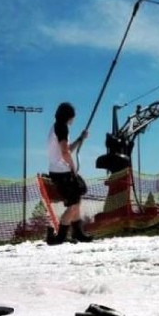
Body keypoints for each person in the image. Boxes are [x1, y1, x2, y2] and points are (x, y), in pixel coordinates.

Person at [46, 102, 92, 245]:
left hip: (58, 171)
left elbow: (67, 149)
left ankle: (78, 233)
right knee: (73, 205)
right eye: (73, 116)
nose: (74, 119)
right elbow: (66, 153)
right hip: (62, 172)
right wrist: (72, 167)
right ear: (69, 116)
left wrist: (80, 139)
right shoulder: (62, 128)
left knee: (76, 199)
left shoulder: (57, 127)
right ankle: (59, 237)